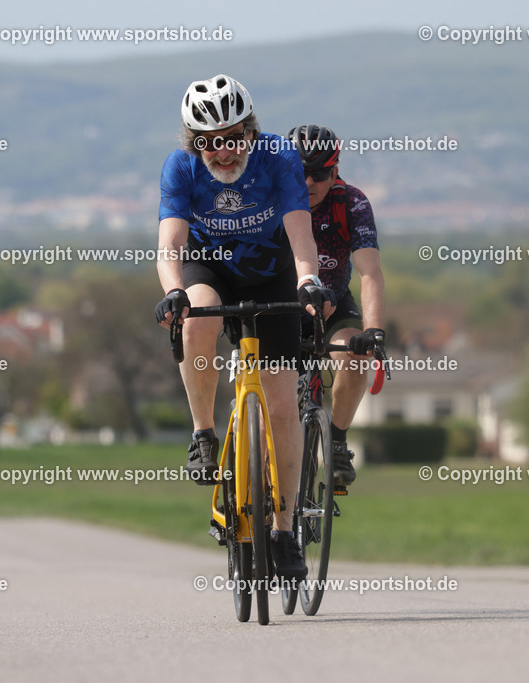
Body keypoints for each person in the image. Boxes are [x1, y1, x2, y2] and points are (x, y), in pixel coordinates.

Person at [155, 75, 333, 581]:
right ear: (195, 142)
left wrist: (308, 282)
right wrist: (172, 291)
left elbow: (301, 233)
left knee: (280, 407)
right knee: (195, 319)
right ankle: (203, 433)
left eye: (233, 138)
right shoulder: (181, 167)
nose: (224, 152)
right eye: (210, 142)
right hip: (209, 267)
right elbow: (170, 245)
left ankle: (281, 529)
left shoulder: (278, 157)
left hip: (272, 271)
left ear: (251, 133)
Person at [286, 124, 386, 487]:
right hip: (281, 302)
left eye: (320, 174)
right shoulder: (272, 199)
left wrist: (374, 331)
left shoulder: (352, 203)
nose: (309, 183)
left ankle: (338, 442)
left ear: (336, 168)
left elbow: (370, 272)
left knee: (355, 353)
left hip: (334, 301)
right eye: (300, 173)